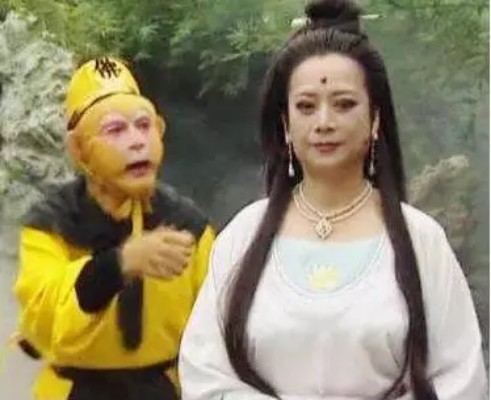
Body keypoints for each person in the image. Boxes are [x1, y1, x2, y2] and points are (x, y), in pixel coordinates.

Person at [178, 1, 487, 399]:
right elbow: (205, 374)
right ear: (286, 124)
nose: (324, 122)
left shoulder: (421, 240)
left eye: (344, 104)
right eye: (306, 106)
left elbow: (460, 378)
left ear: (375, 119)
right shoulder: (243, 236)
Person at [13, 56, 215, 400]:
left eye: (144, 125)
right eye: (116, 130)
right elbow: (44, 320)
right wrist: (118, 264)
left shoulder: (189, 226)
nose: (137, 141)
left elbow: (219, 330)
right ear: (79, 150)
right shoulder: (52, 225)